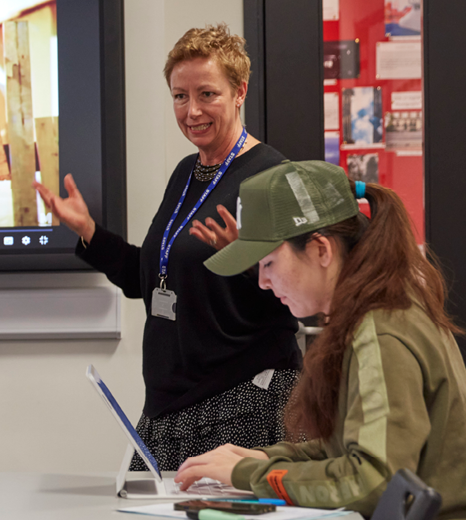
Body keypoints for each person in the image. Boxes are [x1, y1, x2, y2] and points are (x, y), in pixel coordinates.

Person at [35, 24, 302, 471]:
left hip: (241, 404)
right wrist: (89, 232)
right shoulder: (186, 173)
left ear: (240, 91)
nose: (192, 110)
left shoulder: (272, 176)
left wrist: (249, 258)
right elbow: (154, 277)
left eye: (207, 94)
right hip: (169, 409)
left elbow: (299, 291)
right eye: (180, 96)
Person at [176, 162, 466, 520]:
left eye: (268, 263)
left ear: (321, 250)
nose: (263, 283)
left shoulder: (380, 332)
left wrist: (249, 475)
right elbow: (353, 446)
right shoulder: (384, 303)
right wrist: (267, 459)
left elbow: (373, 481)